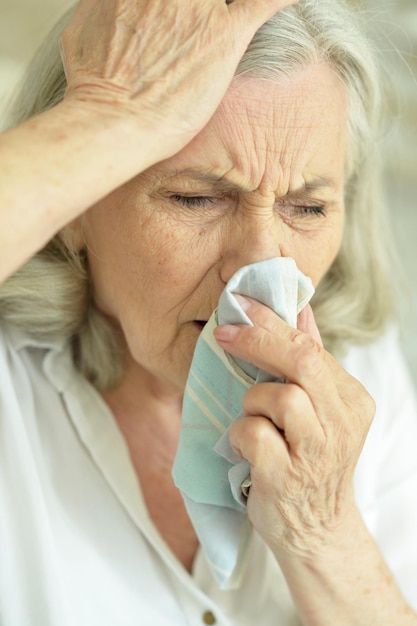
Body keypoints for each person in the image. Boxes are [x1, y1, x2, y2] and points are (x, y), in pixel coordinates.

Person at [0, 0, 416, 624]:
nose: (261, 263)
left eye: (307, 209)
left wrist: (323, 534)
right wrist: (109, 112)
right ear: (76, 206)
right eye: (196, 198)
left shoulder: (360, 372)